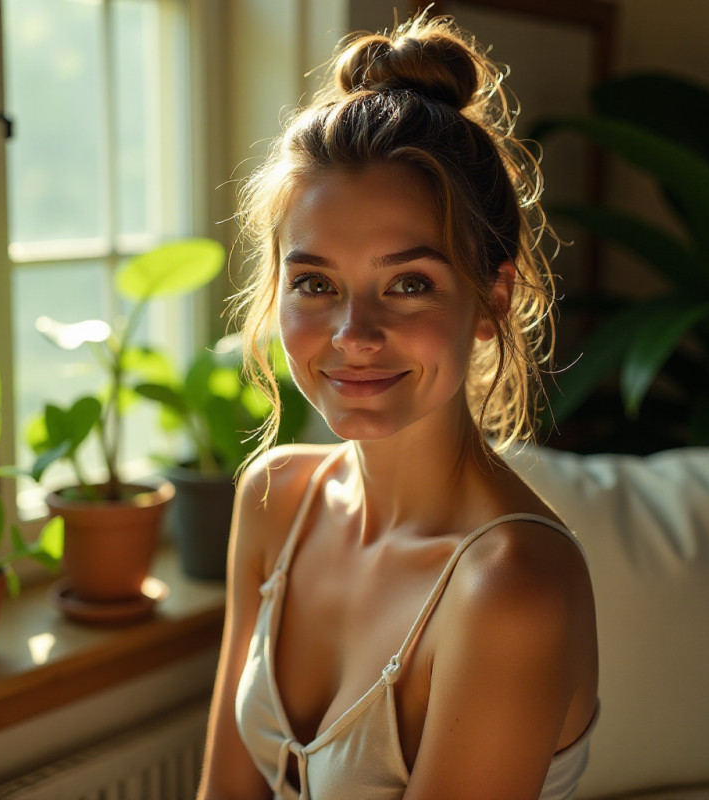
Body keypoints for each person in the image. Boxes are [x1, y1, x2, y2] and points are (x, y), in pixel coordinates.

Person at [198, 10, 598, 800]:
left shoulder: (511, 588)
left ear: (492, 297)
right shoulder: (274, 499)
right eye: (316, 284)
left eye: (409, 283)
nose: (355, 334)